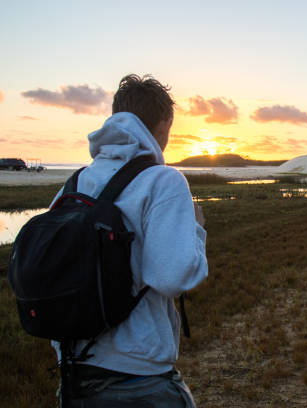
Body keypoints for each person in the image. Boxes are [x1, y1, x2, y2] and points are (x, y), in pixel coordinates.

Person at [52, 74, 208, 407]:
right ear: (164, 124)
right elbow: (172, 278)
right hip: (140, 380)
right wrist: (196, 229)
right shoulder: (164, 180)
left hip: (74, 377)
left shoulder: (74, 183)